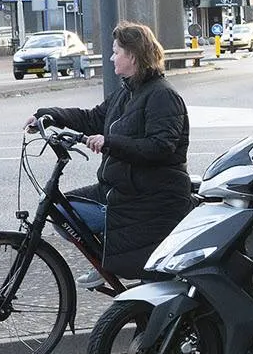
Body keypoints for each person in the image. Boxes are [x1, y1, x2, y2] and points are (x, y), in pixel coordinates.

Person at [31, 22, 193, 290]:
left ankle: (105, 259)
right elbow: (92, 117)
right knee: (61, 211)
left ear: (132, 55)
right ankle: (102, 259)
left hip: (148, 196)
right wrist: (48, 116)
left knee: (65, 213)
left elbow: (160, 146)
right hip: (118, 188)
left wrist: (110, 143)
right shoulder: (126, 92)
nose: (111, 57)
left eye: (116, 51)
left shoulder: (162, 96)